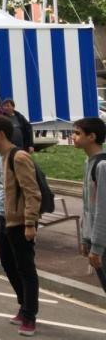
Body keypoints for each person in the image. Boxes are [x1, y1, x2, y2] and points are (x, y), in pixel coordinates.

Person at [0, 115, 42, 336]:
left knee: (26, 268)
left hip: (18, 222)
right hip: (1, 217)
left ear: (1, 134)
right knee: (8, 264)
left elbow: (32, 192)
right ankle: (23, 305)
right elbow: (8, 186)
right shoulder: (1, 158)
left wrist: (30, 223)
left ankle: (30, 316)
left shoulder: (19, 157)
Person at [73, 117, 106, 293]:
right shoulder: (89, 162)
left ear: (91, 136)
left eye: (78, 133)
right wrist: (86, 238)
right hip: (95, 240)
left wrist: (97, 247)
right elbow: (87, 207)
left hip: (103, 242)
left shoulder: (102, 166)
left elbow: (102, 210)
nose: (73, 137)